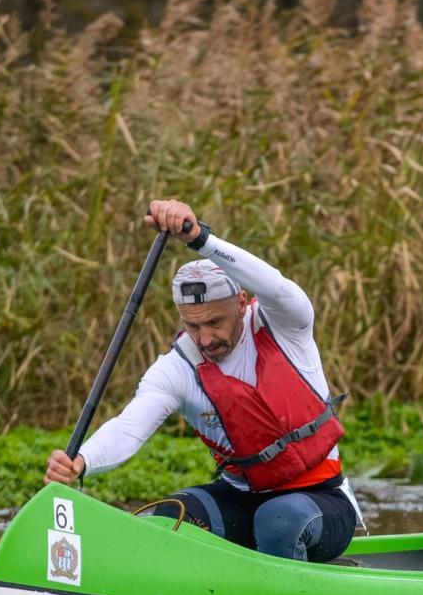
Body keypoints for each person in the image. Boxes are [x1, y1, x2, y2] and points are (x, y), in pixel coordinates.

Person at [43, 199, 358, 562]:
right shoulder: (176, 370)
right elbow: (129, 428)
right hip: (241, 501)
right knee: (169, 517)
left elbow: (275, 285)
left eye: (214, 323)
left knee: (279, 520)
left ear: (241, 303)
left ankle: (291, 591)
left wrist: (199, 238)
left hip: (321, 500)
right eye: (192, 326)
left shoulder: (286, 323)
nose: (205, 339)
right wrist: (81, 460)